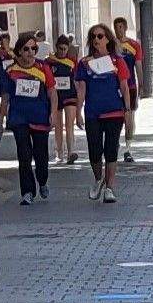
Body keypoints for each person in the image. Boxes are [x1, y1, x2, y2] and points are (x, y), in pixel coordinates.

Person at [78, 24, 133, 204]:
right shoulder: (84, 63)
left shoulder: (117, 61)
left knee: (111, 149)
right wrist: (78, 111)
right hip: (93, 112)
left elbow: (124, 87)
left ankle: (109, 188)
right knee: (94, 150)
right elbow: (81, 89)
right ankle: (98, 178)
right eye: (93, 37)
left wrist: (127, 110)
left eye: (100, 36)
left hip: (114, 111)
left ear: (108, 39)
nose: (96, 40)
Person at [2, 32, 56, 206]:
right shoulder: (10, 70)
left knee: (41, 155)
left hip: (40, 117)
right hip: (19, 118)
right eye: (26, 49)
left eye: (34, 48)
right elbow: (5, 97)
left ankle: (43, 181)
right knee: (24, 155)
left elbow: (52, 92)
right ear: (18, 51)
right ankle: (27, 191)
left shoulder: (43, 68)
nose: (30, 52)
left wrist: (53, 113)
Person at [113, 16, 143, 163]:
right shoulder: (111, 45)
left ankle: (128, 148)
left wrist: (141, 85)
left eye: (120, 27)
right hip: (114, 87)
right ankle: (115, 143)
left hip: (130, 85)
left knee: (129, 117)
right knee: (117, 118)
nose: (118, 30)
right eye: (115, 27)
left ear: (125, 27)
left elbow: (138, 66)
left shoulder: (134, 45)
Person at [50, 34, 81, 165]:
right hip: (56, 96)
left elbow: (77, 81)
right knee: (58, 125)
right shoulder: (49, 61)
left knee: (69, 124)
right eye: (60, 49)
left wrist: (80, 101)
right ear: (56, 48)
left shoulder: (72, 62)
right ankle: (59, 153)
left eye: (65, 49)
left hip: (70, 95)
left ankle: (71, 152)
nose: (63, 52)